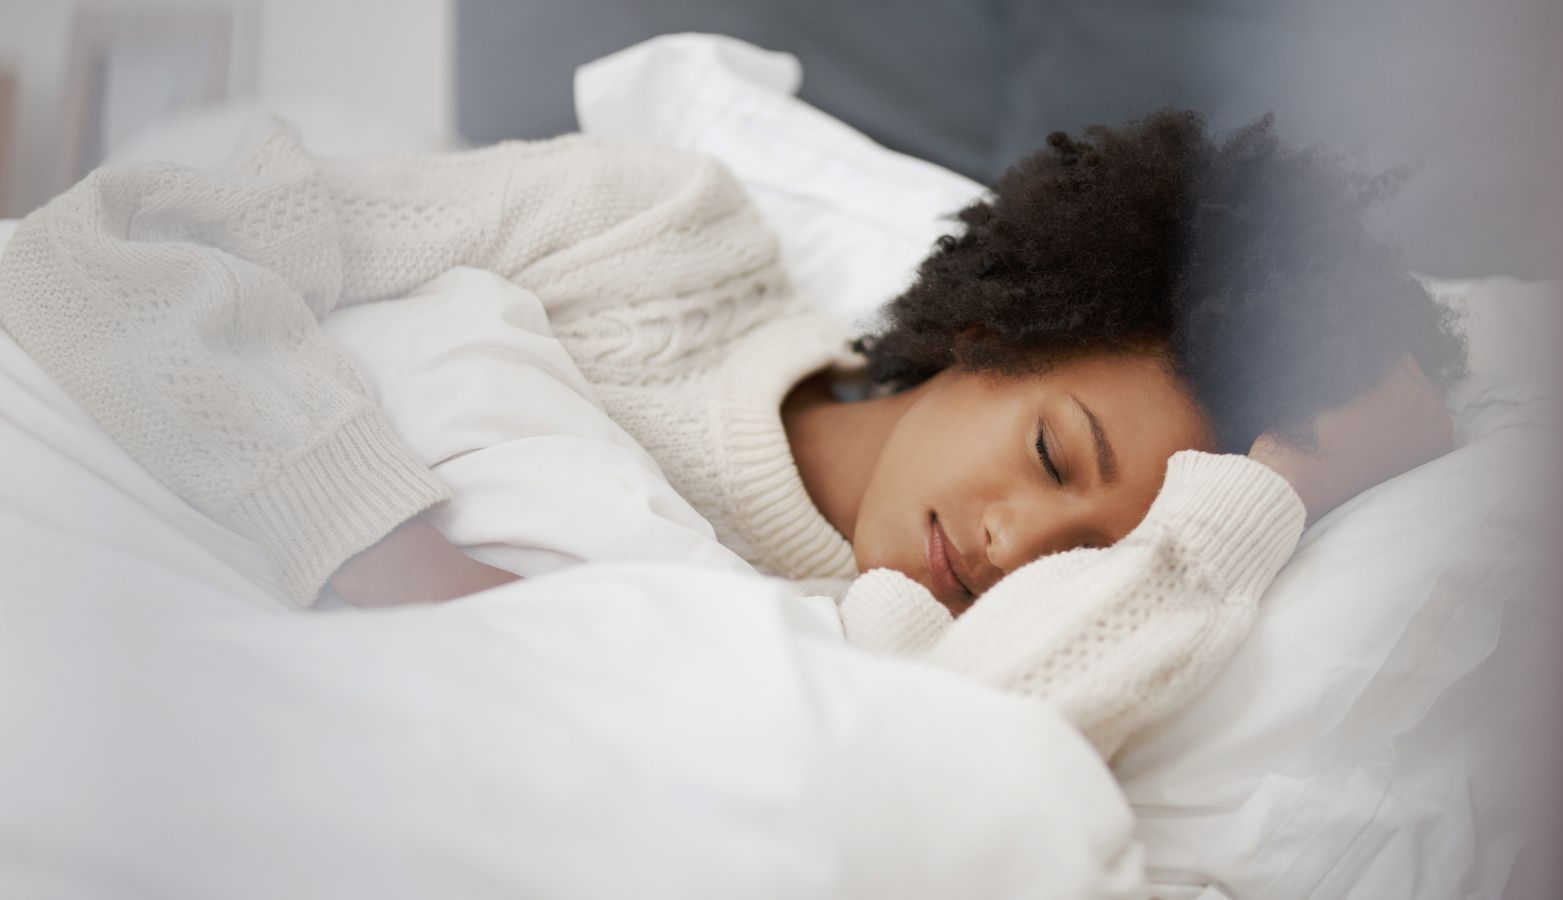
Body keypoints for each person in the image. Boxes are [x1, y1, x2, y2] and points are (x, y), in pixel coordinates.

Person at [0, 109, 1460, 758]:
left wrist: (1266, 498)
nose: (1018, 553)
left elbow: (978, 769)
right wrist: (394, 566)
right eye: (1056, 459)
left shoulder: (896, 658)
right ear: (995, 326)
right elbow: (112, 246)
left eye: (1095, 560)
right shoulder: (656, 236)